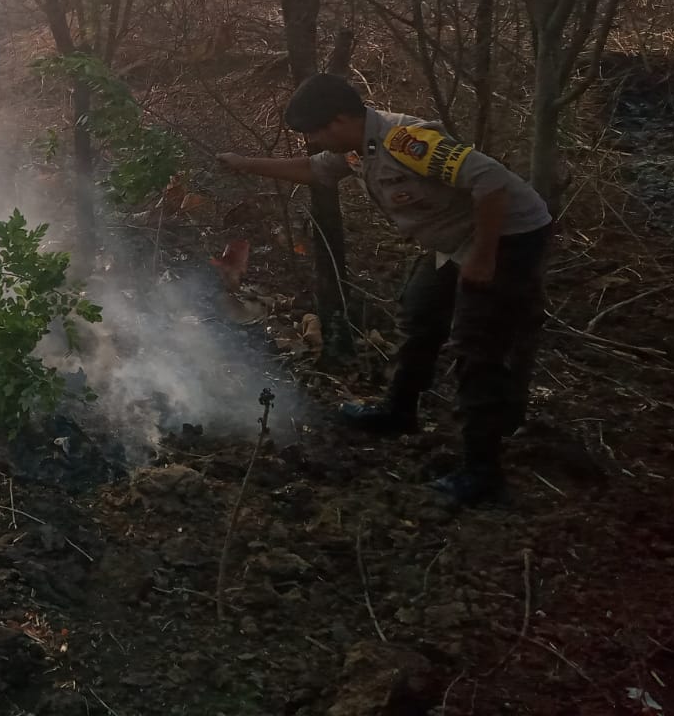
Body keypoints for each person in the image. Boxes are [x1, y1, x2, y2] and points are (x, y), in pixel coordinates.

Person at [217, 73, 553, 505]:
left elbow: (492, 182)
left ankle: (482, 473)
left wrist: (484, 257)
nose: (315, 141)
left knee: (477, 347)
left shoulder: (407, 141)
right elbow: (315, 170)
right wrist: (245, 163)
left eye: (317, 132)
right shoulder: (358, 148)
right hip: (454, 241)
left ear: (340, 120)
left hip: (507, 236)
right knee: (419, 312)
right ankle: (399, 412)